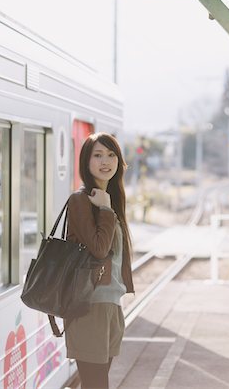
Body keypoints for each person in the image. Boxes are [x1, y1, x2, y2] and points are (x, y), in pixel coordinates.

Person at [65, 132, 134, 389]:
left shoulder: (110, 199)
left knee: (95, 384)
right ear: (86, 161)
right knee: (96, 385)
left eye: (111, 154)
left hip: (110, 305)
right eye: (98, 155)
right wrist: (104, 209)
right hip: (89, 306)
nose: (106, 161)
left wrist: (107, 206)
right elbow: (98, 249)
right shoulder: (81, 200)